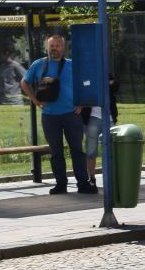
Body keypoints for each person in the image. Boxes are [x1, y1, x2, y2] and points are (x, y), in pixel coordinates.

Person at [21, 35, 94, 194]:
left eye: (57, 45)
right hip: (49, 116)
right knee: (56, 151)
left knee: (77, 150)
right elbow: (24, 82)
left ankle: (83, 183)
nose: (54, 48)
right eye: (51, 46)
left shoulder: (73, 65)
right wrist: (35, 100)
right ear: (47, 47)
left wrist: (81, 103)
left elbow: (86, 83)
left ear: (63, 47)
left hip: (71, 114)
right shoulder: (38, 64)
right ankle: (61, 184)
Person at [79, 74, 119, 193]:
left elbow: (114, 86)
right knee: (91, 150)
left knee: (112, 150)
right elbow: (84, 88)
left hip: (109, 118)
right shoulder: (87, 76)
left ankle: (112, 179)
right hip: (93, 118)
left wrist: (103, 84)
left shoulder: (106, 74)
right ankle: (92, 178)